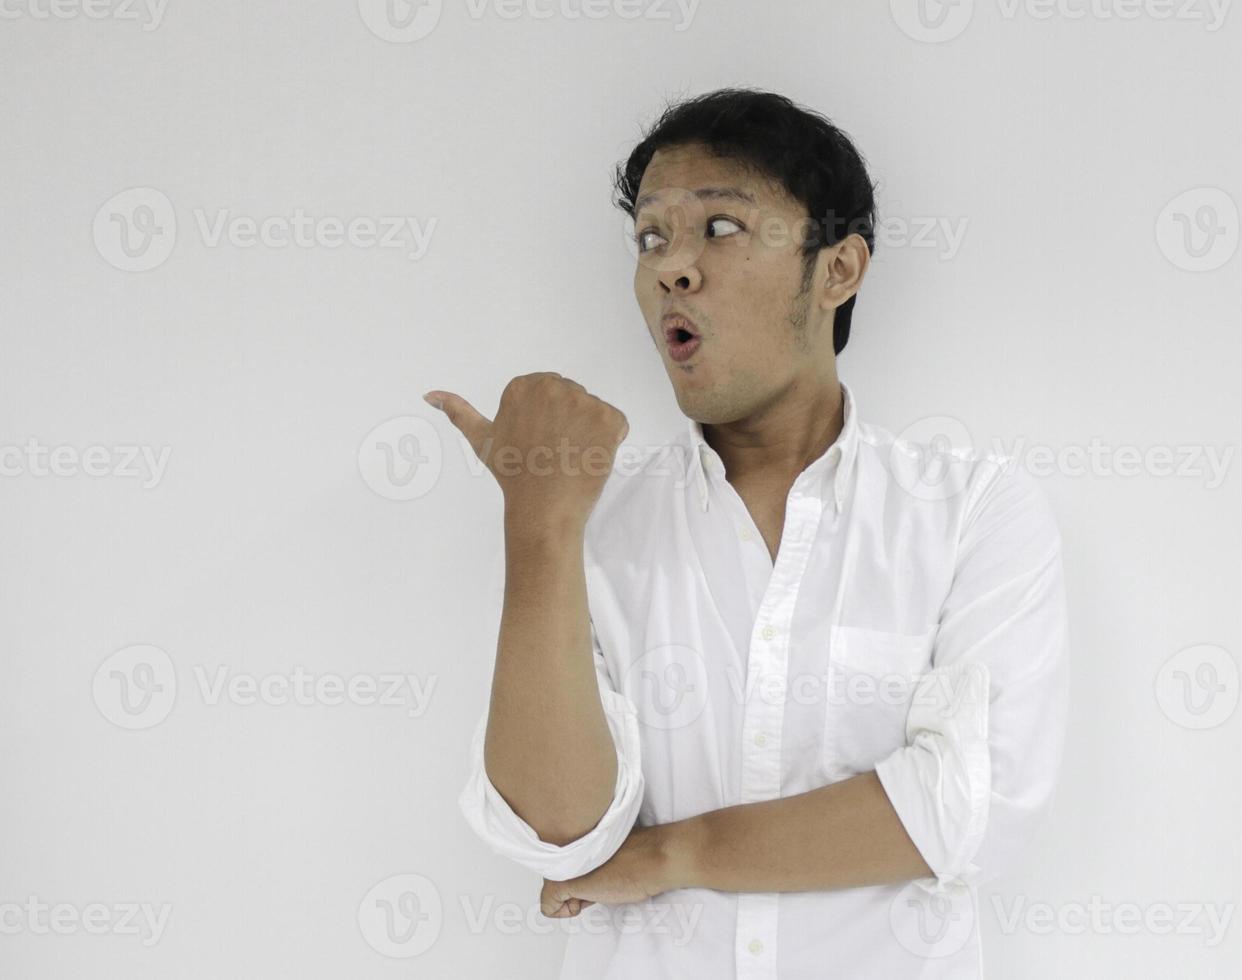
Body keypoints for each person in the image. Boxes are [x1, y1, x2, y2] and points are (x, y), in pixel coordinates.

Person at [425, 87, 1070, 980]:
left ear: (838, 269)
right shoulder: (592, 520)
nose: (671, 270)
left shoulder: (968, 511)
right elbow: (560, 830)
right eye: (651, 238)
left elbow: (970, 808)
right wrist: (538, 520)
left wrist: (668, 855)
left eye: (720, 229)